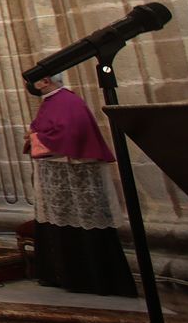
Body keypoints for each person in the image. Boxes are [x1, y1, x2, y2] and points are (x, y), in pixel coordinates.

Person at [25, 73, 137, 296]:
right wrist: (34, 135)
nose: (30, 86)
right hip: (58, 171)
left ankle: (92, 279)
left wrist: (35, 137)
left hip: (74, 171)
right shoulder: (51, 102)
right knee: (58, 222)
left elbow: (70, 132)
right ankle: (62, 275)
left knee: (83, 223)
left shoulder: (68, 101)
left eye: (33, 81)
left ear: (46, 80)